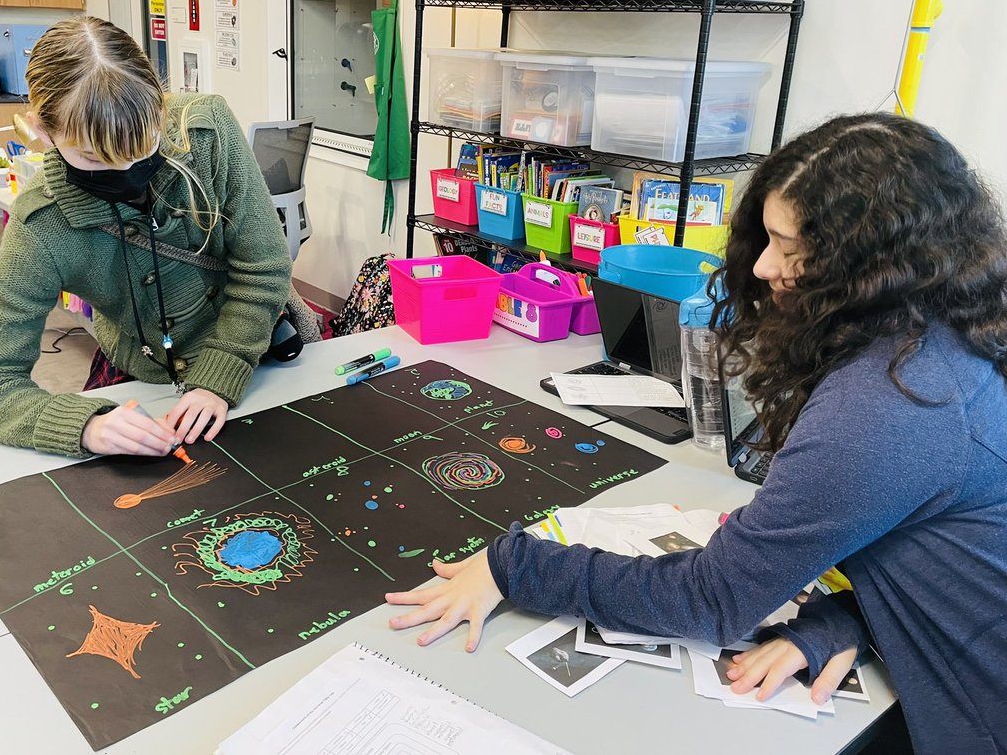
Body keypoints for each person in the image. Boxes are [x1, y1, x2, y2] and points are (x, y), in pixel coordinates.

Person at [385, 113, 1007, 754]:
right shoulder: (950, 330)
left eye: (791, 247)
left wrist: (512, 566)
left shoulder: (894, 402)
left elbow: (712, 599)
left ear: (872, 262)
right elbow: (940, 545)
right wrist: (848, 620)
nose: (765, 266)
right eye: (767, 237)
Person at [0, 16, 294, 459]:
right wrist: (86, 427)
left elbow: (264, 267)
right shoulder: (41, 226)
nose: (125, 173)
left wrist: (220, 372)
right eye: (94, 157)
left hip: (252, 352)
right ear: (42, 130)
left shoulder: (207, 130)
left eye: (143, 147)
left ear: (160, 105)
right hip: (139, 375)